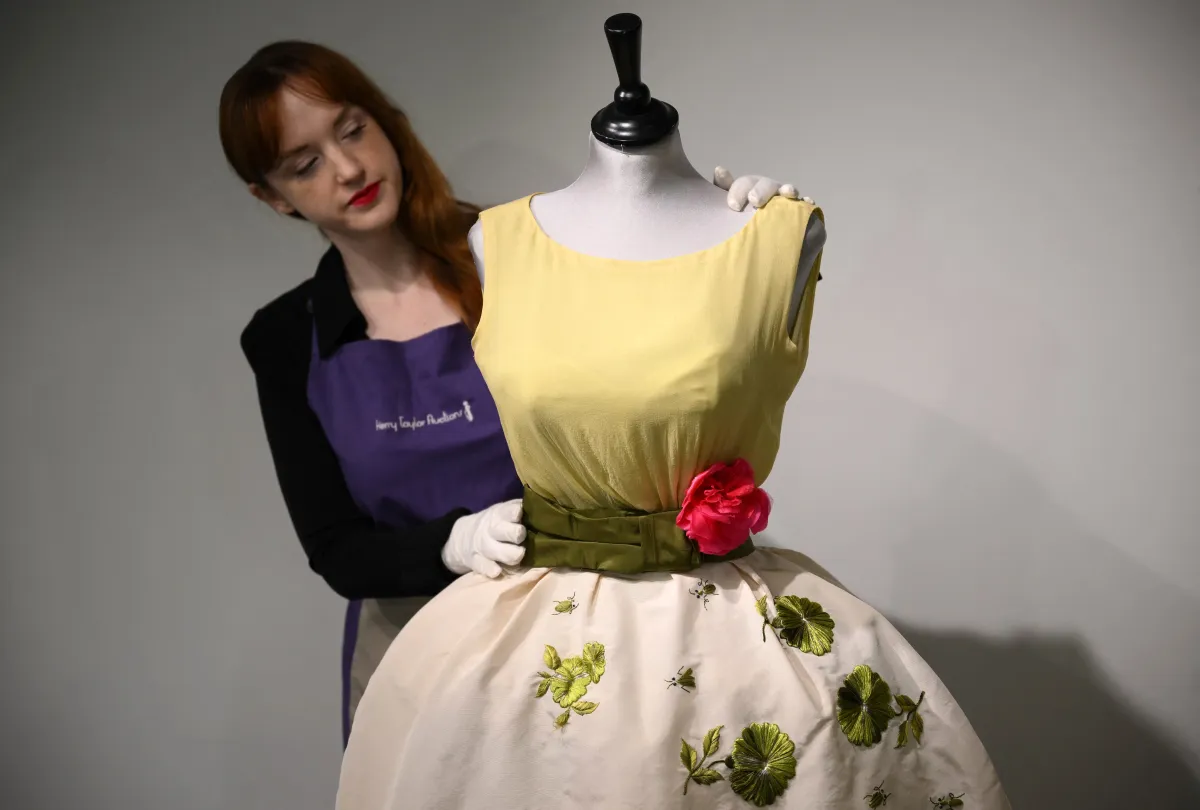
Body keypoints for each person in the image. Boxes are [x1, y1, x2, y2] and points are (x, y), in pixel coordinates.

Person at [332, 29, 1013, 809]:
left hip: (730, 631)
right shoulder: (499, 240)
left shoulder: (778, 230)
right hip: (532, 627)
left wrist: (766, 242)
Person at [218, 39, 798, 746]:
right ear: (272, 197)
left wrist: (730, 233)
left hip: (584, 630)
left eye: (352, 129)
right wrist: (451, 544)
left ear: (385, 120)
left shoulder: (530, 251)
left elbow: (667, 385)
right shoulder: (284, 337)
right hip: (418, 656)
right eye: (304, 164)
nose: (347, 169)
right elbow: (336, 547)